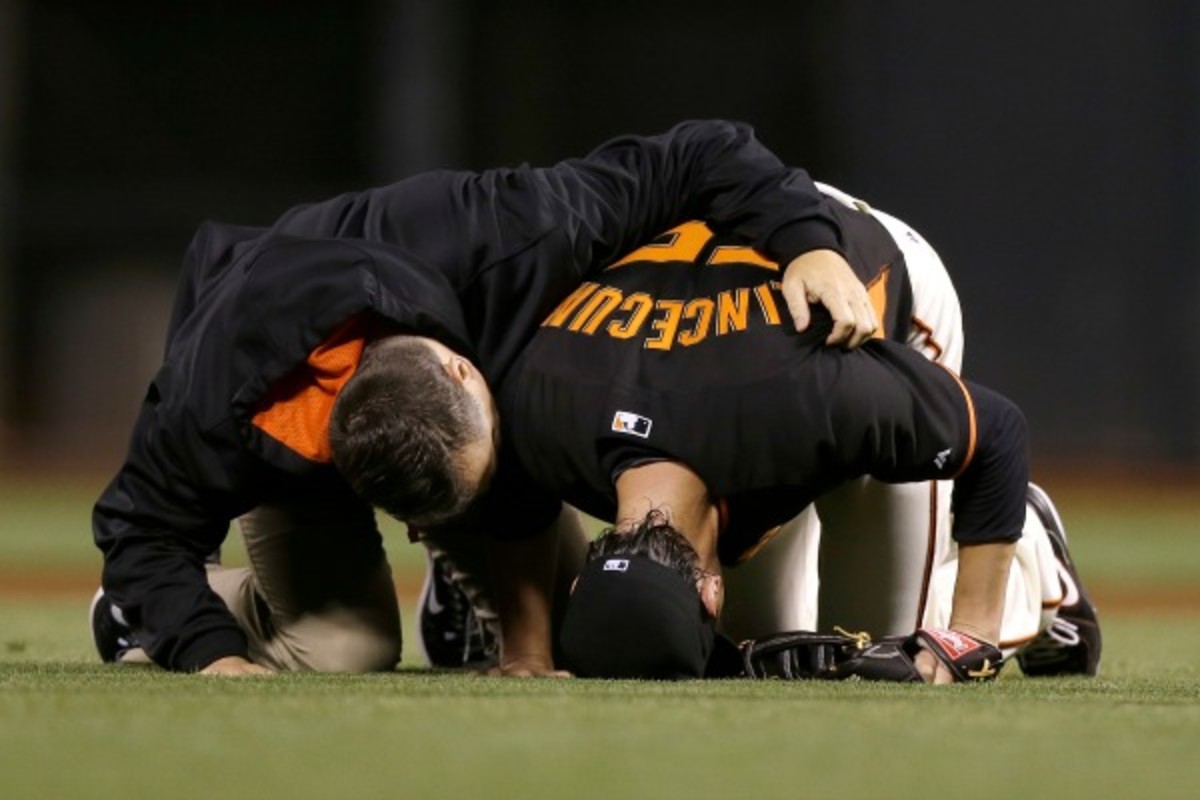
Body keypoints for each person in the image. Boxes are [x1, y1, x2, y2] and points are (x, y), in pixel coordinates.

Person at [89, 120, 879, 676]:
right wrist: (203, 646)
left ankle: (461, 599)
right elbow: (137, 529)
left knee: (580, 633)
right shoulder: (220, 402)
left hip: (432, 309)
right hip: (276, 401)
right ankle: (130, 617)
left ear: (467, 369)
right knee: (341, 650)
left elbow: (702, 152)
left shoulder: (512, 234)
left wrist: (807, 242)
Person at [491, 185, 1100, 682]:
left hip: (848, 269)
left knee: (876, 652)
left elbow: (996, 434)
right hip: (719, 324)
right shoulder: (538, 412)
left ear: (710, 593)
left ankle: (1037, 566)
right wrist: (527, 647)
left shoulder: (815, 396)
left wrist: (970, 635)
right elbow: (506, 491)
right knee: (777, 649)